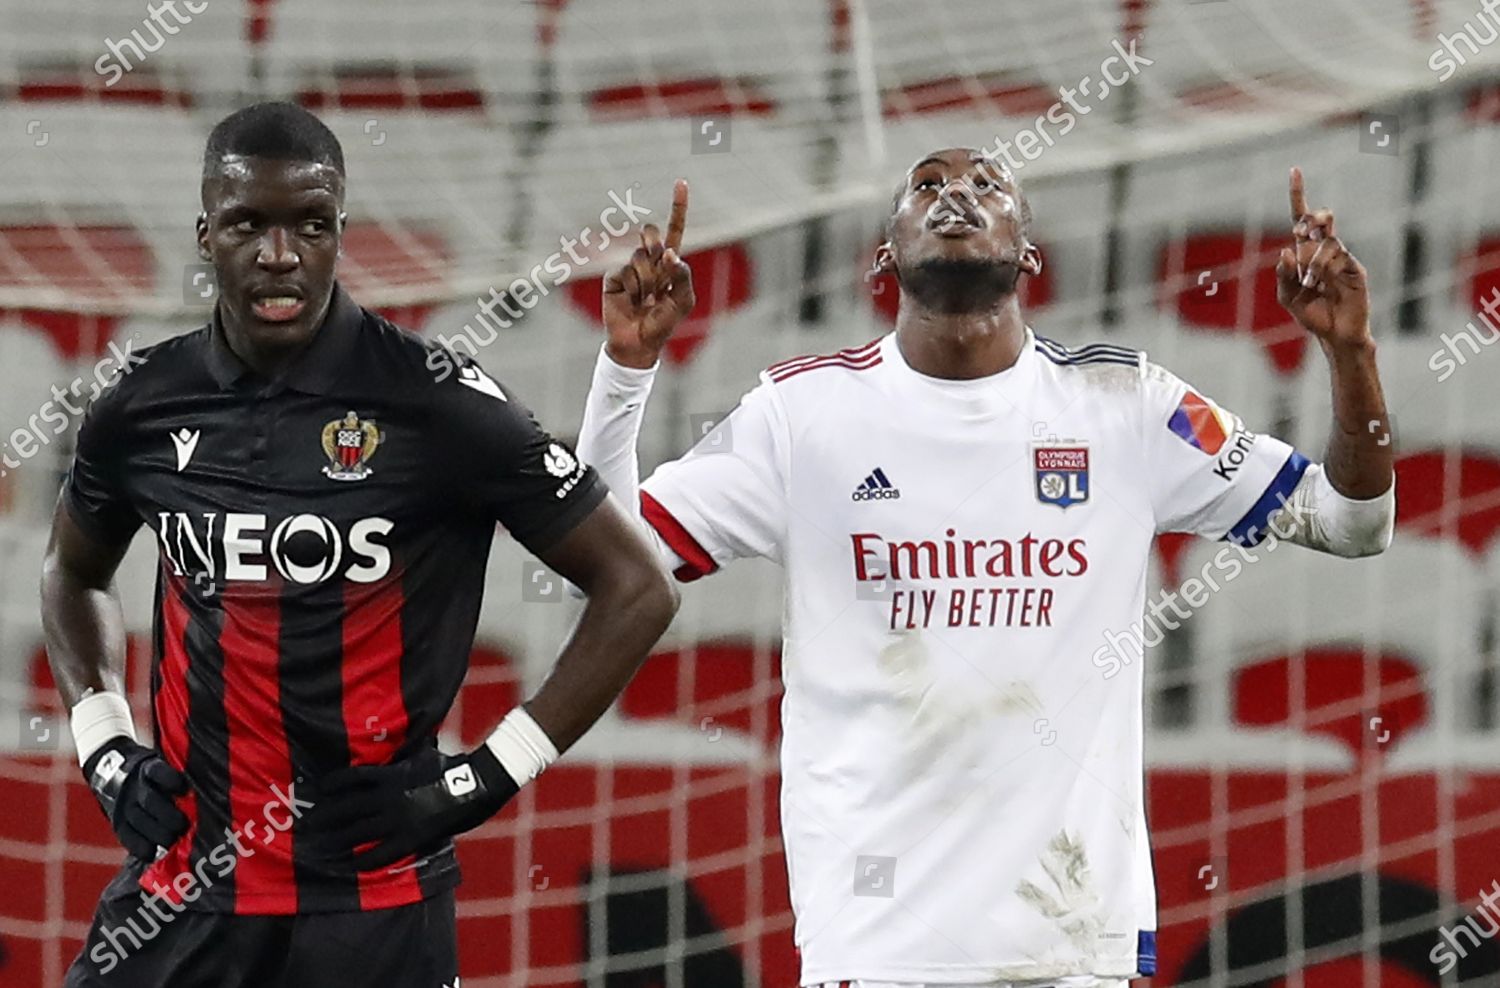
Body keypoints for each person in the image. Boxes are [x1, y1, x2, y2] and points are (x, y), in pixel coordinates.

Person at [576, 150, 1395, 988]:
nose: (956, 195)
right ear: (886, 252)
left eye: (988, 185)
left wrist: (1352, 352)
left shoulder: (1130, 406)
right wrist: (626, 372)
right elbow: (607, 566)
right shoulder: (801, 416)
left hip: (1074, 943)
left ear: (1030, 251)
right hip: (880, 943)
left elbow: (1349, 522)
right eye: (926, 185)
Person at [41, 101, 678, 987]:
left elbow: (639, 586)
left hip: (375, 909)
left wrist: (486, 776)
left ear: (341, 232)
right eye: (247, 224)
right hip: (182, 892)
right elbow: (72, 573)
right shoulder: (141, 403)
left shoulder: (438, 401)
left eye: (309, 224)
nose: (279, 255)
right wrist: (106, 743)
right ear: (204, 234)